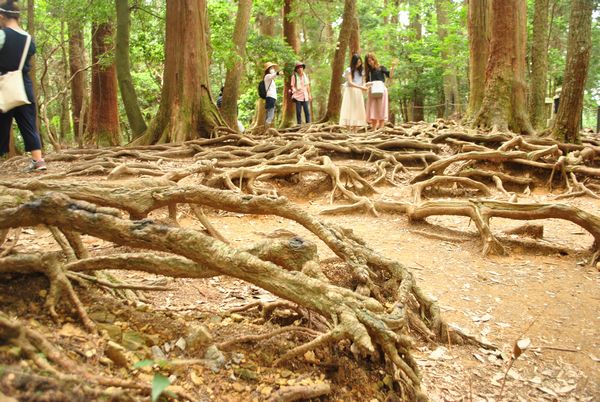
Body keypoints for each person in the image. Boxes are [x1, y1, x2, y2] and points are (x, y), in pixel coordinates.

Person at [0, 0, 46, 170]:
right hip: (23, 86)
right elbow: (29, 53)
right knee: (28, 122)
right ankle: (38, 161)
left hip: (4, 85)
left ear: (2, 16)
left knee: (2, 123)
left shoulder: (3, 34)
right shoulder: (28, 38)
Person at [339, 54, 367, 131]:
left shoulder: (362, 71)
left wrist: (364, 86)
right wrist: (361, 87)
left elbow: (363, 81)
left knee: (357, 109)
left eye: (360, 62)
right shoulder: (349, 70)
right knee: (349, 108)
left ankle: (355, 130)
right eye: (357, 62)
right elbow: (350, 82)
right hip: (350, 91)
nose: (359, 64)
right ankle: (348, 130)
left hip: (358, 92)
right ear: (353, 62)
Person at [364, 53, 392, 130]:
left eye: (372, 60)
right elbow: (366, 82)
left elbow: (389, 75)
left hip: (381, 89)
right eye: (369, 61)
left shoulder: (381, 68)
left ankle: (381, 127)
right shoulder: (368, 71)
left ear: (375, 59)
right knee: (372, 107)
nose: (371, 62)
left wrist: (393, 67)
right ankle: (374, 127)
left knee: (381, 107)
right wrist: (367, 85)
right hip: (372, 89)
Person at [263, 62, 283, 127]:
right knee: (270, 114)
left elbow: (273, 76)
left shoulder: (272, 79)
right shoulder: (267, 76)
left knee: (269, 113)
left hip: (272, 97)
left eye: (273, 68)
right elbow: (273, 75)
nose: (273, 69)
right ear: (268, 69)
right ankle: (266, 128)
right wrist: (278, 73)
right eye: (271, 68)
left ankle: (266, 129)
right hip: (270, 97)